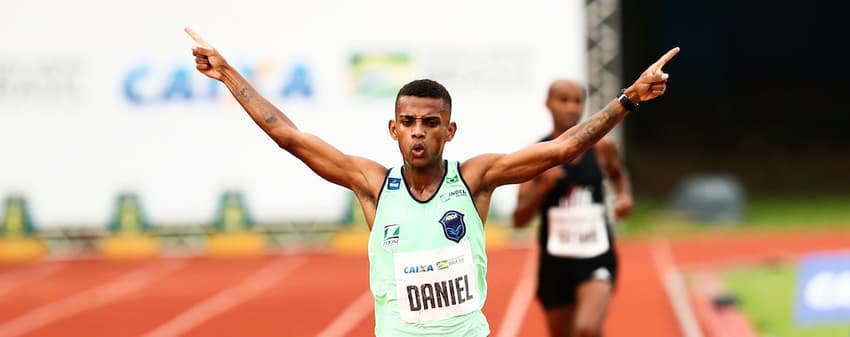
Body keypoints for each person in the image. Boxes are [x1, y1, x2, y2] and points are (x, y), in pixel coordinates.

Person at [185, 27, 678, 337]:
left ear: (449, 129)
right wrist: (229, 77)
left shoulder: (476, 179)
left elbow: (565, 149)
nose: (418, 131)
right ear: (393, 128)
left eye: (429, 122)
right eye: (409, 121)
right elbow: (288, 136)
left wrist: (629, 99)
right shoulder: (372, 184)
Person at [512, 79, 633, 337]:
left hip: (596, 254)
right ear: (548, 104)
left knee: (587, 329)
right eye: (563, 100)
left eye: (578, 101)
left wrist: (624, 196)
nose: (571, 107)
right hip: (556, 262)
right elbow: (519, 219)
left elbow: (617, 173)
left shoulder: (601, 148)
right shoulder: (535, 155)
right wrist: (542, 187)